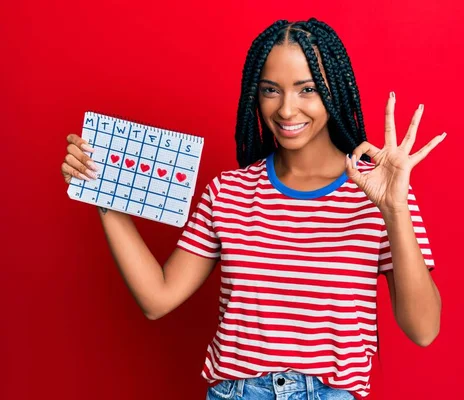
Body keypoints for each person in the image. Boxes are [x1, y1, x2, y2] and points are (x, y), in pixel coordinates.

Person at [60, 18, 444, 400]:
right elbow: (157, 299)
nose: (287, 109)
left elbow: (423, 330)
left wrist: (394, 209)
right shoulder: (229, 191)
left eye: (307, 89)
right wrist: (102, 190)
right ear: (254, 96)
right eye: (271, 90)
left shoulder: (380, 193)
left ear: (334, 91)